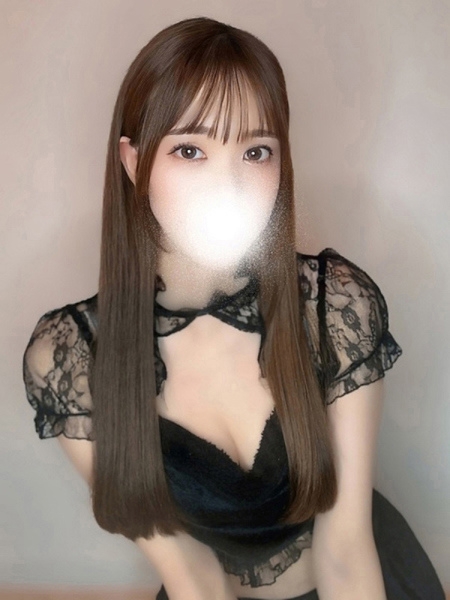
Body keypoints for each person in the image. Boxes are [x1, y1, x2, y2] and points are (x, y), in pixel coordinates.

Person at [22, 16, 445, 600]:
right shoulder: (70, 358)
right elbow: (192, 577)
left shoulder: (333, 306)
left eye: (256, 151)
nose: (228, 184)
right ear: (133, 162)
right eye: (190, 150)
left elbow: (345, 551)